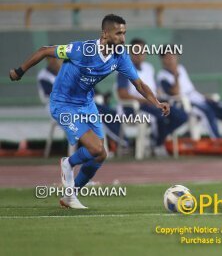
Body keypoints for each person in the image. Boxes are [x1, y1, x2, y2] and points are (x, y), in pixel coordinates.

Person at [9, 14, 170, 209]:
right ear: (105, 34)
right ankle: (68, 163)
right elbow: (44, 51)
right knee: (95, 149)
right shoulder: (81, 50)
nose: (122, 38)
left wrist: (156, 102)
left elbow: (139, 84)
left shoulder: (120, 56)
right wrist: (19, 71)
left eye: (124, 33)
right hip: (63, 103)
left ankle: (70, 195)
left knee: (101, 155)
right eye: (118, 33)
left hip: (86, 103)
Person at [37, 56, 128, 151]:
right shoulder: (44, 76)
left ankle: (120, 143)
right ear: (47, 60)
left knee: (108, 112)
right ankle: (118, 144)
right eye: (52, 58)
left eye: (58, 58)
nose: (56, 61)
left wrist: (99, 95)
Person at [117, 38, 187, 157]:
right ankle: (158, 144)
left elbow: (154, 88)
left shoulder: (149, 68)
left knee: (181, 116)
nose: (140, 55)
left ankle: (157, 141)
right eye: (136, 51)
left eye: (142, 51)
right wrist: (145, 100)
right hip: (135, 107)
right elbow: (122, 94)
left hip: (153, 103)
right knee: (162, 116)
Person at [158, 51, 222, 139]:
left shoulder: (181, 68)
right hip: (183, 104)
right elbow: (175, 93)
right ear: (163, 60)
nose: (172, 60)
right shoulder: (162, 76)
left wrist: (203, 96)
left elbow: (190, 90)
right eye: (168, 57)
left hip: (197, 98)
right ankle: (218, 141)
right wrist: (176, 77)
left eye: (174, 56)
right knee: (207, 112)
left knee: (221, 108)